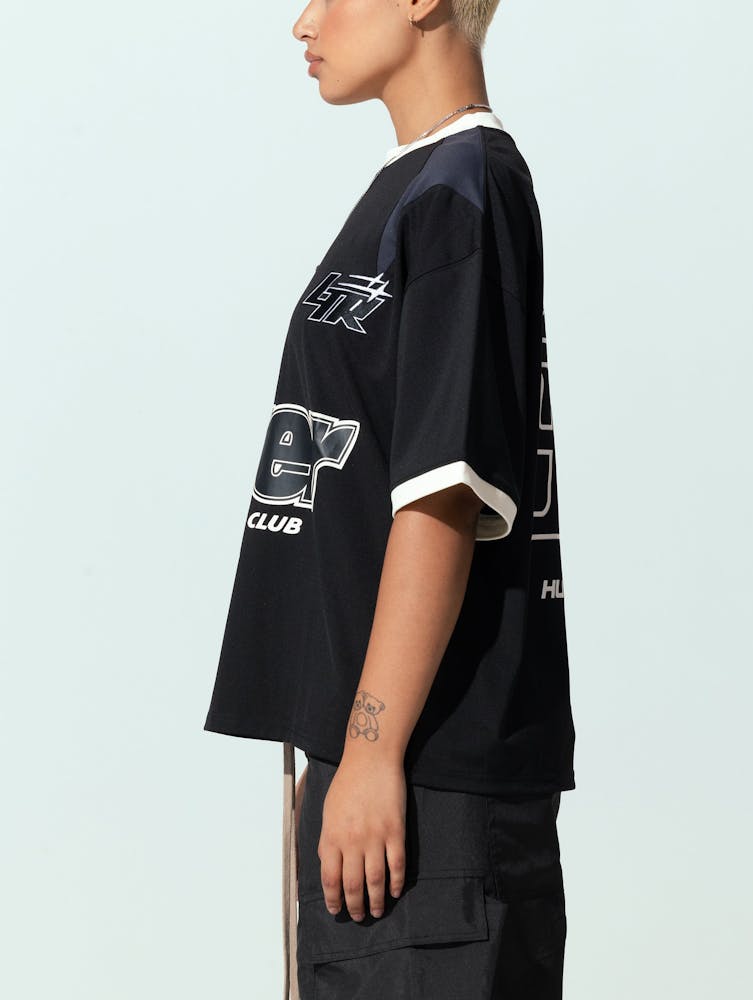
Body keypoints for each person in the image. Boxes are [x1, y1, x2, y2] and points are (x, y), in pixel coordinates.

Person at [202, 1, 577, 997]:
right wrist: (340, 758)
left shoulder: (466, 188)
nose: (302, 22)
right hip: (376, 777)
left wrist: (371, 752)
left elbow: (443, 495)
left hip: (430, 788)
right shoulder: (409, 189)